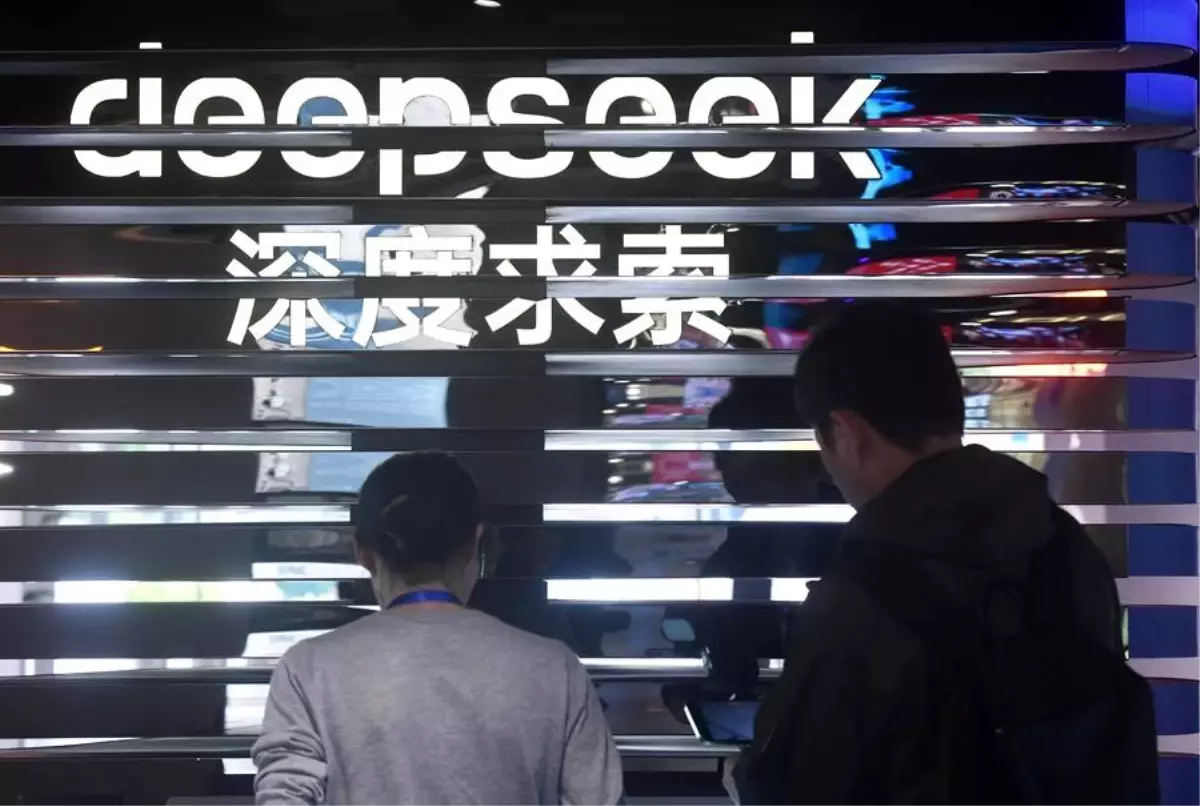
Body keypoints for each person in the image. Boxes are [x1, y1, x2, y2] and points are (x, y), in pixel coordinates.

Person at [727, 301, 1126, 806]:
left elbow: (806, 783)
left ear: (846, 433)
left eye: (821, 442)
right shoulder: (1062, 546)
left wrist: (745, 782)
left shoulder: (862, 596)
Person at [253, 450, 626, 806]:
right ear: (475, 544)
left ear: (361, 551)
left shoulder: (308, 668)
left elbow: (285, 794)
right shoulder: (555, 669)